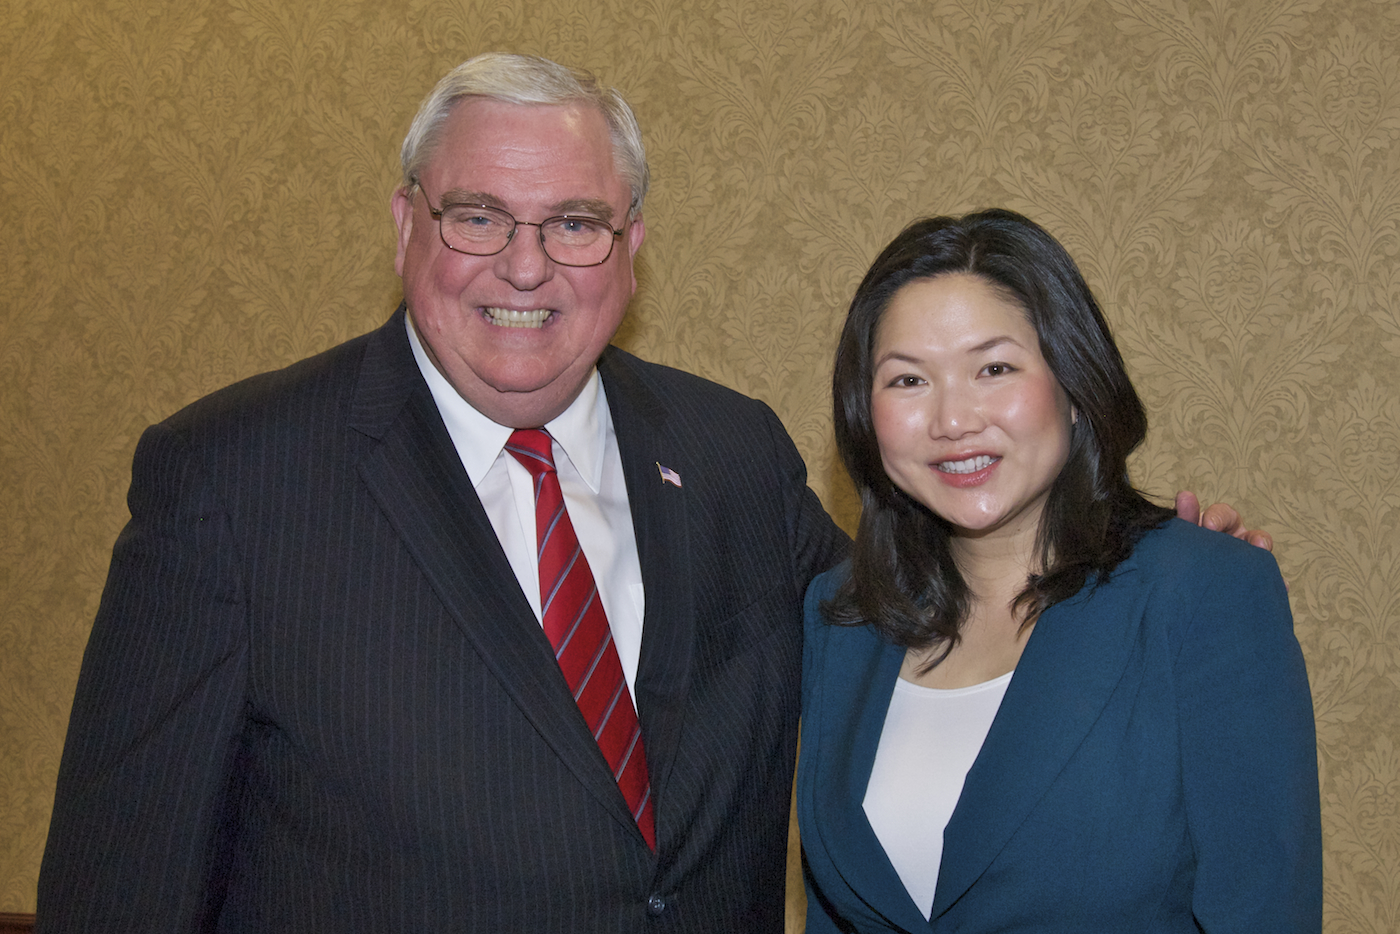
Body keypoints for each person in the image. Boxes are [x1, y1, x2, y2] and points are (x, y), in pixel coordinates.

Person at [35, 54, 1268, 933]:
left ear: (629, 247)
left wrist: (1137, 569)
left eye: (574, 221)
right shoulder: (233, 477)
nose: (526, 265)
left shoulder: (729, 451)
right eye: (478, 216)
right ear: (405, 225)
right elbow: (122, 882)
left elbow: (916, 617)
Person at [797, 209, 1321, 933]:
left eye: (994, 368)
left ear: (1075, 387)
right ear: (865, 413)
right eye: (909, 379)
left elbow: (1263, 909)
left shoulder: (1204, 594)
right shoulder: (843, 618)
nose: (953, 420)